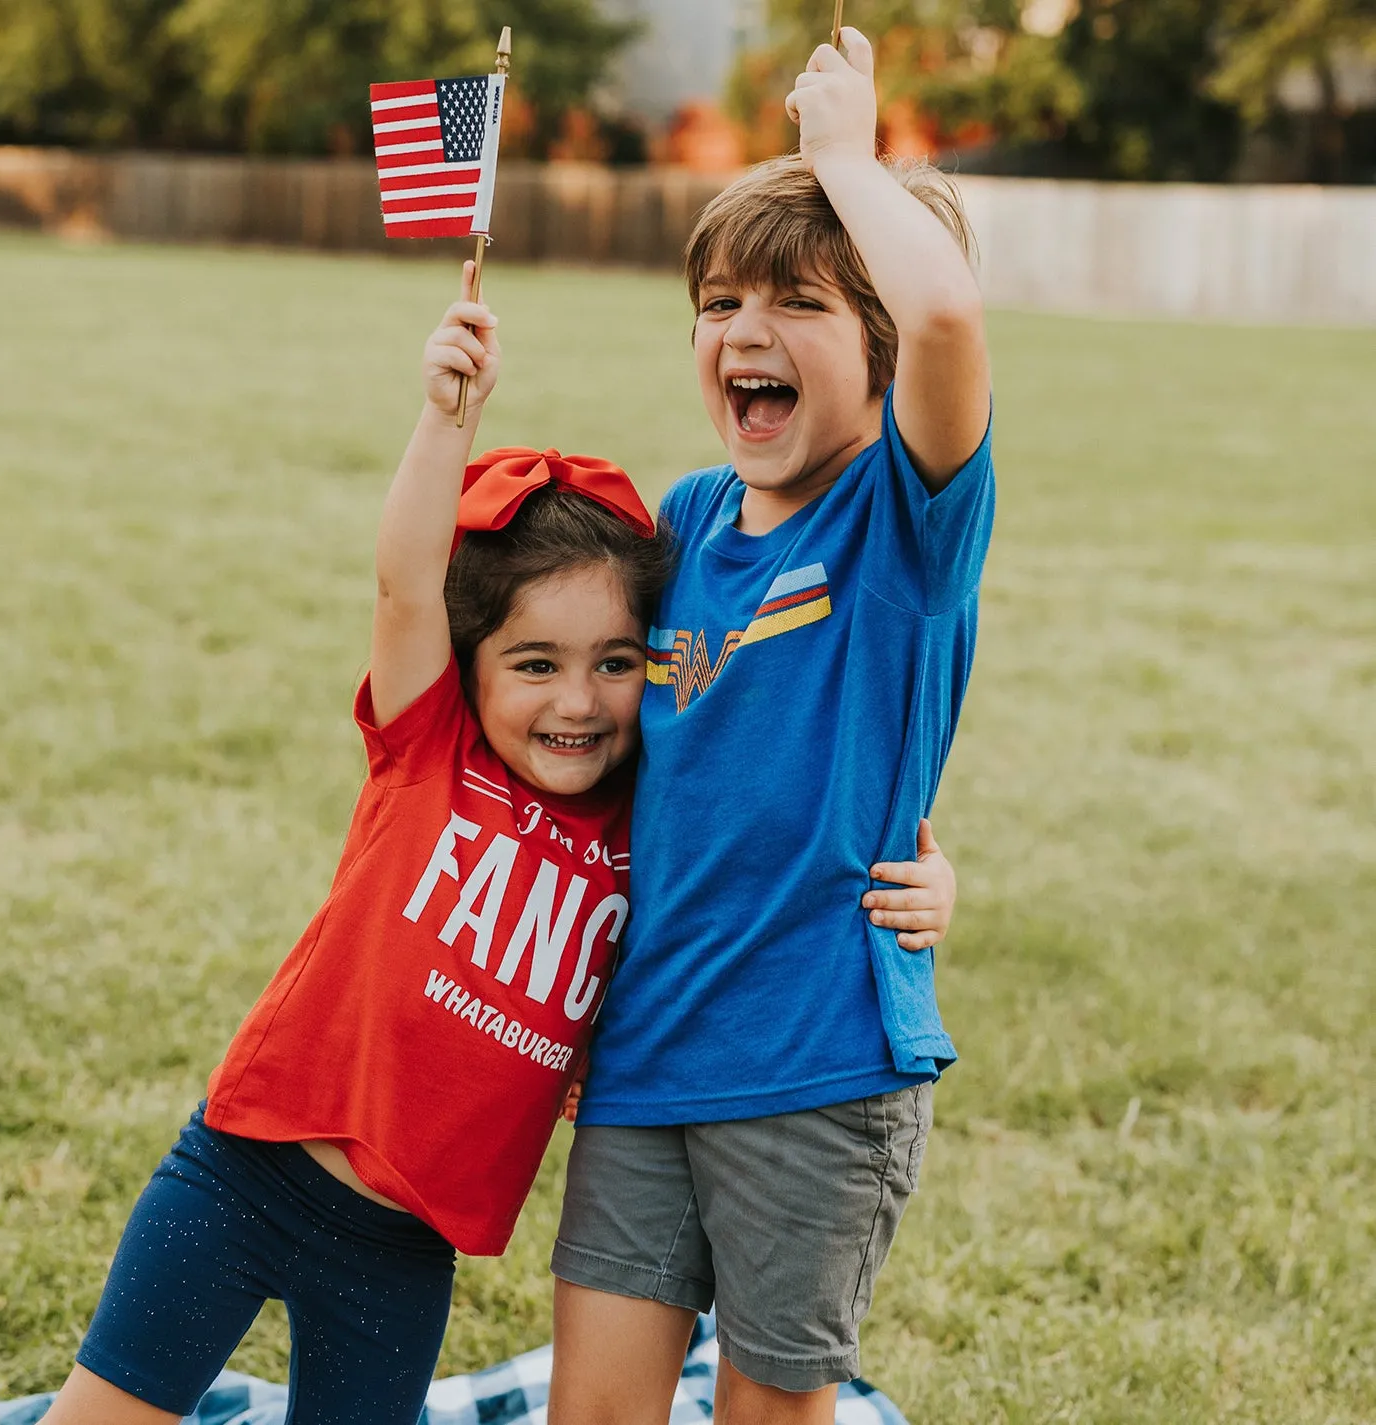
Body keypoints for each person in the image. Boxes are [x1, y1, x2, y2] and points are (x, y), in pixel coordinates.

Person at [37, 265, 958, 1425]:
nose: (577, 702)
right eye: (535, 665)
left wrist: (928, 878)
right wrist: (444, 421)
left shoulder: (644, 828)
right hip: (242, 1179)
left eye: (616, 665)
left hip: (402, 1254)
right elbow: (405, 581)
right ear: (474, 670)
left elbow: (767, 833)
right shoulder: (429, 751)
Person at [548, 27, 995, 1425]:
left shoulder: (901, 522)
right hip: (645, 1053)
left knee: (764, 1406)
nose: (743, 332)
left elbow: (948, 322)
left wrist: (847, 161)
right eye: (720, 300)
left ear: (873, 350)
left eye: (795, 303)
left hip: (814, 1070)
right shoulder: (685, 522)